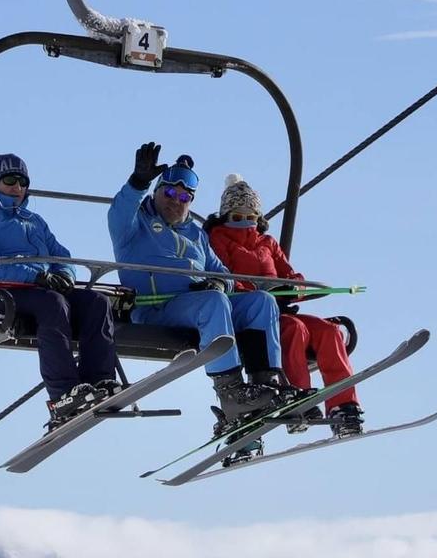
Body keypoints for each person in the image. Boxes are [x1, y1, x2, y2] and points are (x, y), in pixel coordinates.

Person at [108, 143, 289, 438]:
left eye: (183, 197)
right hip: (157, 310)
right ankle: (231, 392)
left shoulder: (195, 233)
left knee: (261, 301)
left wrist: (219, 282)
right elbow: (119, 210)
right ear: (156, 192)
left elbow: (223, 274)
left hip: (198, 306)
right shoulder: (133, 225)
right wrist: (137, 182)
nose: (175, 202)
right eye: (169, 193)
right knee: (213, 302)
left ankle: (265, 383)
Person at [0, 153, 120, 428]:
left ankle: (97, 381)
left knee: (96, 302)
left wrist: (63, 275)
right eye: (10, 180)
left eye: (22, 182)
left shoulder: (34, 221)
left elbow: (61, 256)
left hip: (40, 290)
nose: (17, 187)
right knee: (52, 303)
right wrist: (38, 277)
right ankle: (63, 395)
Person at [203, 175, 364, 437]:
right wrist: (259, 292)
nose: (245, 223)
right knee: (294, 330)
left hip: (281, 308)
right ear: (225, 217)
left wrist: (291, 291)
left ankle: (343, 405)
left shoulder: (267, 243)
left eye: (250, 217)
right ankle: (299, 397)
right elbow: (222, 277)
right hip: (250, 314)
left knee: (329, 331)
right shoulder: (218, 239)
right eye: (237, 217)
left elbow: (292, 277)